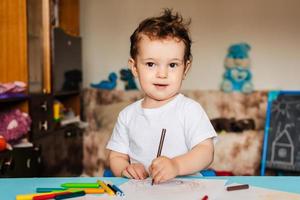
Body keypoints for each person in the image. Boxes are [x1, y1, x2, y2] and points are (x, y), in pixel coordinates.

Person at [106, 8, 217, 184]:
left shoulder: (190, 110)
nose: (162, 74)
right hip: (140, 193)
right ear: (134, 67)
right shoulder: (127, 116)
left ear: (185, 69)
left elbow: (205, 152)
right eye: (151, 64)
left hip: (186, 192)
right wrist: (125, 169)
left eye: (172, 65)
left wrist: (176, 166)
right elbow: (116, 155)